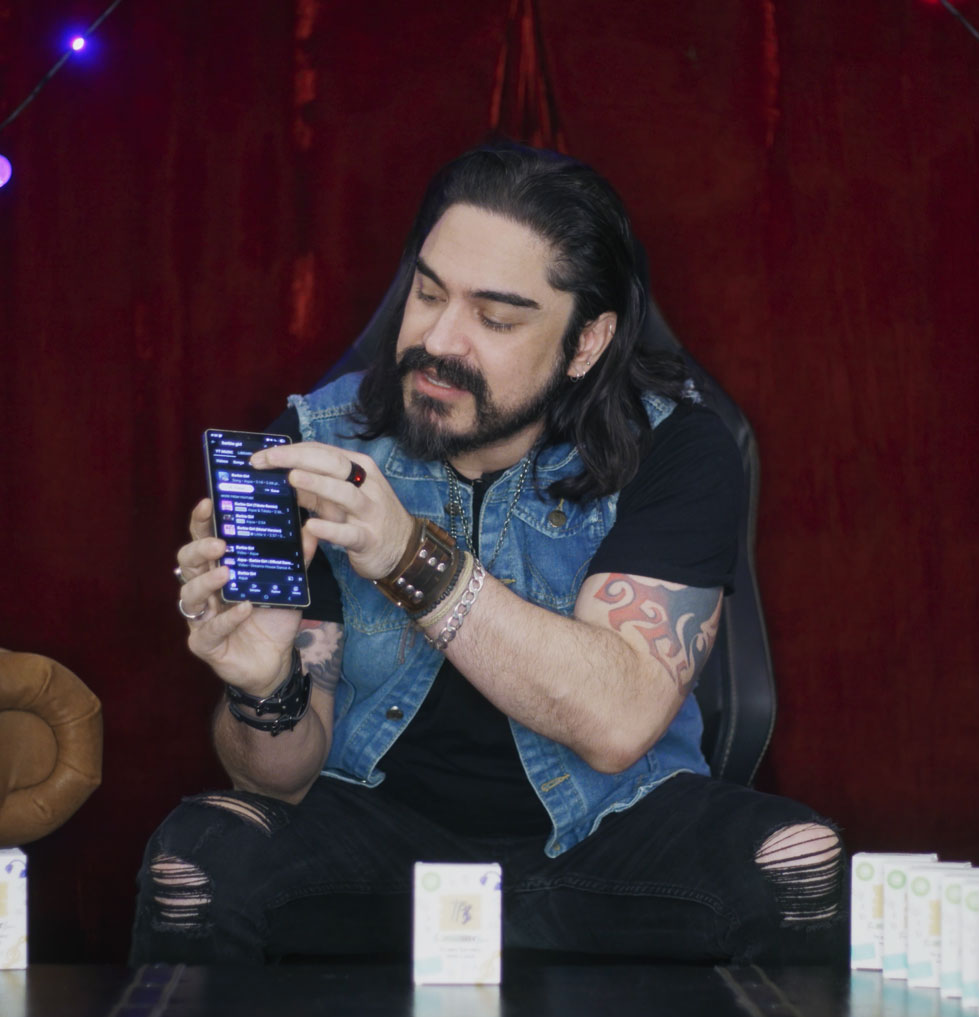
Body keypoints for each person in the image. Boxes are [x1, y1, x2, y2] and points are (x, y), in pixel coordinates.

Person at [132, 143, 844, 965]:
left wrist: (406, 555)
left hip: (608, 836)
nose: (440, 340)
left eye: (496, 319)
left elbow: (616, 722)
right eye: (428, 293)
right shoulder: (320, 446)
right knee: (198, 863)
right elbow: (278, 778)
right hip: (379, 839)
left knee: (797, 862)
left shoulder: (678, 452)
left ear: (587, 342)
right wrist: (265, 690)